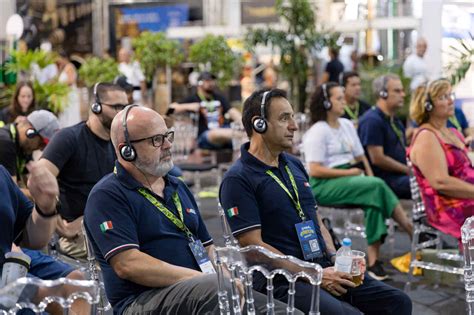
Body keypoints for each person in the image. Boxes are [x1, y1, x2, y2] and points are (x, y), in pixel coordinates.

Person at [83, 106, 292, 314]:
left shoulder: (176, 185)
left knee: (286, 312)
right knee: (218, 291)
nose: (167, 145)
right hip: (142, 301)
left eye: (167, 136)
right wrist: (205, 280)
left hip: (202, 289)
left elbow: (207, 247)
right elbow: (128, 264)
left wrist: (224, 276)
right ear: (126, 150)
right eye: (156, 140)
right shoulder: (108, 194)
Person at [219, 89, 412, 314]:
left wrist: (333, 256)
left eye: (292, 117)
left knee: (398, 301)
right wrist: (315, 274)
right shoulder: (238, 178)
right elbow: (254, 249)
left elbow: (316, 219)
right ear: (259, 124)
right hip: (282, 280)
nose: (293, 125)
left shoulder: (294, 164)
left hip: (320, 265)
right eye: (284, 118)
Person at [303, 83, 413, 280]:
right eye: (338, 98)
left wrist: (369, 176)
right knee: (376, 187)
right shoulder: (318, 130)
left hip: (353, 178)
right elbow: (314, 170)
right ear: (327, 103)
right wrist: (351, 175)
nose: (343, 101)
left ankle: (372, 262)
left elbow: (362, 158)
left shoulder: (346, 125)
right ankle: (408, 226)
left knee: (374, 195)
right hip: (324, 183)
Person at [37, 83, 128, 259]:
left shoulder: (119, 142)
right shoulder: (69, 138)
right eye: (117, 106)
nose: (122, 113)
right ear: (96, 106)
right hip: (78, 236)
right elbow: (39, 179)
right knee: (130, 254)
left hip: (111, 225)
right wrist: (58, 223)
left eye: (125, 107)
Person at [0, 162, 87, 315]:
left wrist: (45, 207)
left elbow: (33, 239)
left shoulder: (1, 174)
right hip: (6, 275)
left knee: (76, 281)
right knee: (50, 302)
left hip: (8, 263)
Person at [408, 78, 474, 244]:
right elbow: (440, 182)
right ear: (428, 106)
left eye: (449, 95)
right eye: (443, 97)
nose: (451, 100)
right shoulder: (427, 136)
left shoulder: (453, 132)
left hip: (466, 197)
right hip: (448, 207)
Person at [358, 74, 411, 199]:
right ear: (382, 94)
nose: (403, 95)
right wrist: (408, 170)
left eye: (402, 91)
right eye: (397, 91)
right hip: (385, 179)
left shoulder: (395, 121)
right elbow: (377, 158)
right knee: (426, 185)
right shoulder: (372, 120)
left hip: (401, 175)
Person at [170, 72, 242, 150]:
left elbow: (232, 111)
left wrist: (243, 123)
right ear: (199, 83)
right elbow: (171, 108)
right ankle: (242, 135)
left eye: (212, 80)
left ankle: (242, 135)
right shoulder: (193, 98)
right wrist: (189, 106)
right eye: (207, 80)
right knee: (216, 133)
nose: (211, 83)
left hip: (224, 131)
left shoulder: (219, 97)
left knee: (231, 130)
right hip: (205, 135)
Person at [0, 109, 59, 185]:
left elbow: (28, 179)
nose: (41, 149)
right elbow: (11, 191)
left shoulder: (23, 147)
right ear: (30, 132)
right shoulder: (4, 143)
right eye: (42, 143)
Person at [56, 49, 81, 128]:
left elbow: (71, 80)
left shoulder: (69, 66)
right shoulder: (63, 68)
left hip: (70, 95)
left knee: (71, 115)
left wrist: (60, 85)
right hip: (65, 95)